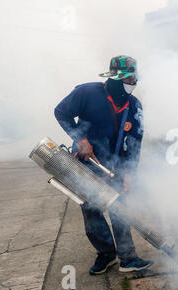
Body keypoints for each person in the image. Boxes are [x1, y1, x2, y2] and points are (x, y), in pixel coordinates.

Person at [54, 55, 153, 275]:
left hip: (117, 164)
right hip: (88, 163)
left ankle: (128, 258)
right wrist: (81, 140)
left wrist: (129, 172)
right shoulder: (87, 92)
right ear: (115, 78)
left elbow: (136, 141)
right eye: (128, 79)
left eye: (134, 79)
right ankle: (106, 254)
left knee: (120, 209)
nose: (132, 83)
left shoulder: (134, 105)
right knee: (92, 210)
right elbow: (61, 112)